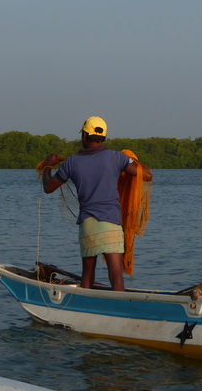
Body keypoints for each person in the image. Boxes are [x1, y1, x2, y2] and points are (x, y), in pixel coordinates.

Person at [40, 116, 152, 291]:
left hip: (88, 224)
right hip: (110, 223)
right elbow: (146, 175)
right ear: (104, 138)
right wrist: (129, 159)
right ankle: (118, 312)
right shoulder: (116, 158)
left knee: (87, 277)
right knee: (116, 277)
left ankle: (84, 311)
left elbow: (48, 187)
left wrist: (47, 166)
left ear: (84, 136)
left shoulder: (71, 162)